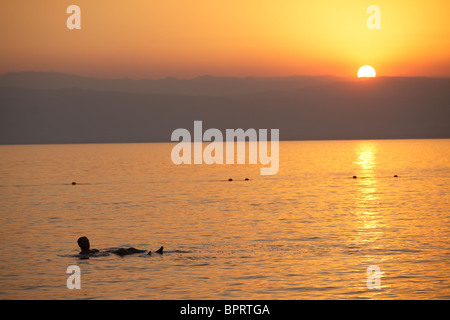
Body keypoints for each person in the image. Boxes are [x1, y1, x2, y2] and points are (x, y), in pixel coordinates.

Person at [77, 236, 156, 256]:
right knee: (122, 250)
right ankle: (144, 255)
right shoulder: (82, 254)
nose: (87, 243)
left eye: (88, 241)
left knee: (130, 248)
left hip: (107, 253)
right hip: (109, 256)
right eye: (85, 242)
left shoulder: (94, 249)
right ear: (80, 244)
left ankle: (152, 252)